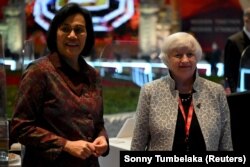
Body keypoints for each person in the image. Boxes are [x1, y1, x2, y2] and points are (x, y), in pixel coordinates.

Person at [10, 3, 109, 167]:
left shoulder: (93, 76)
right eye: (65, 29)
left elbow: (97, 124)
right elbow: (20, 127)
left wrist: (102, 138)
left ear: (87, 35)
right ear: (55, 34)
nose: (72, 35)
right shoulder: (39, 71)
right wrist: (66, 145)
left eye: (79, 30)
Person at [131, 32, 233, 151]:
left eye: (190, 54)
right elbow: (137, 144)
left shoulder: (216, 92)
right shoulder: (150, 91)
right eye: (178, 55)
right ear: (167, 59)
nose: (185, 60)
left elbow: (226, 145)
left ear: (197, 57)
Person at [224, 7, 250, 93]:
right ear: (246, 19)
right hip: (240, 92)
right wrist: (234, 91)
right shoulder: (233, 41)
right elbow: (228, 71)